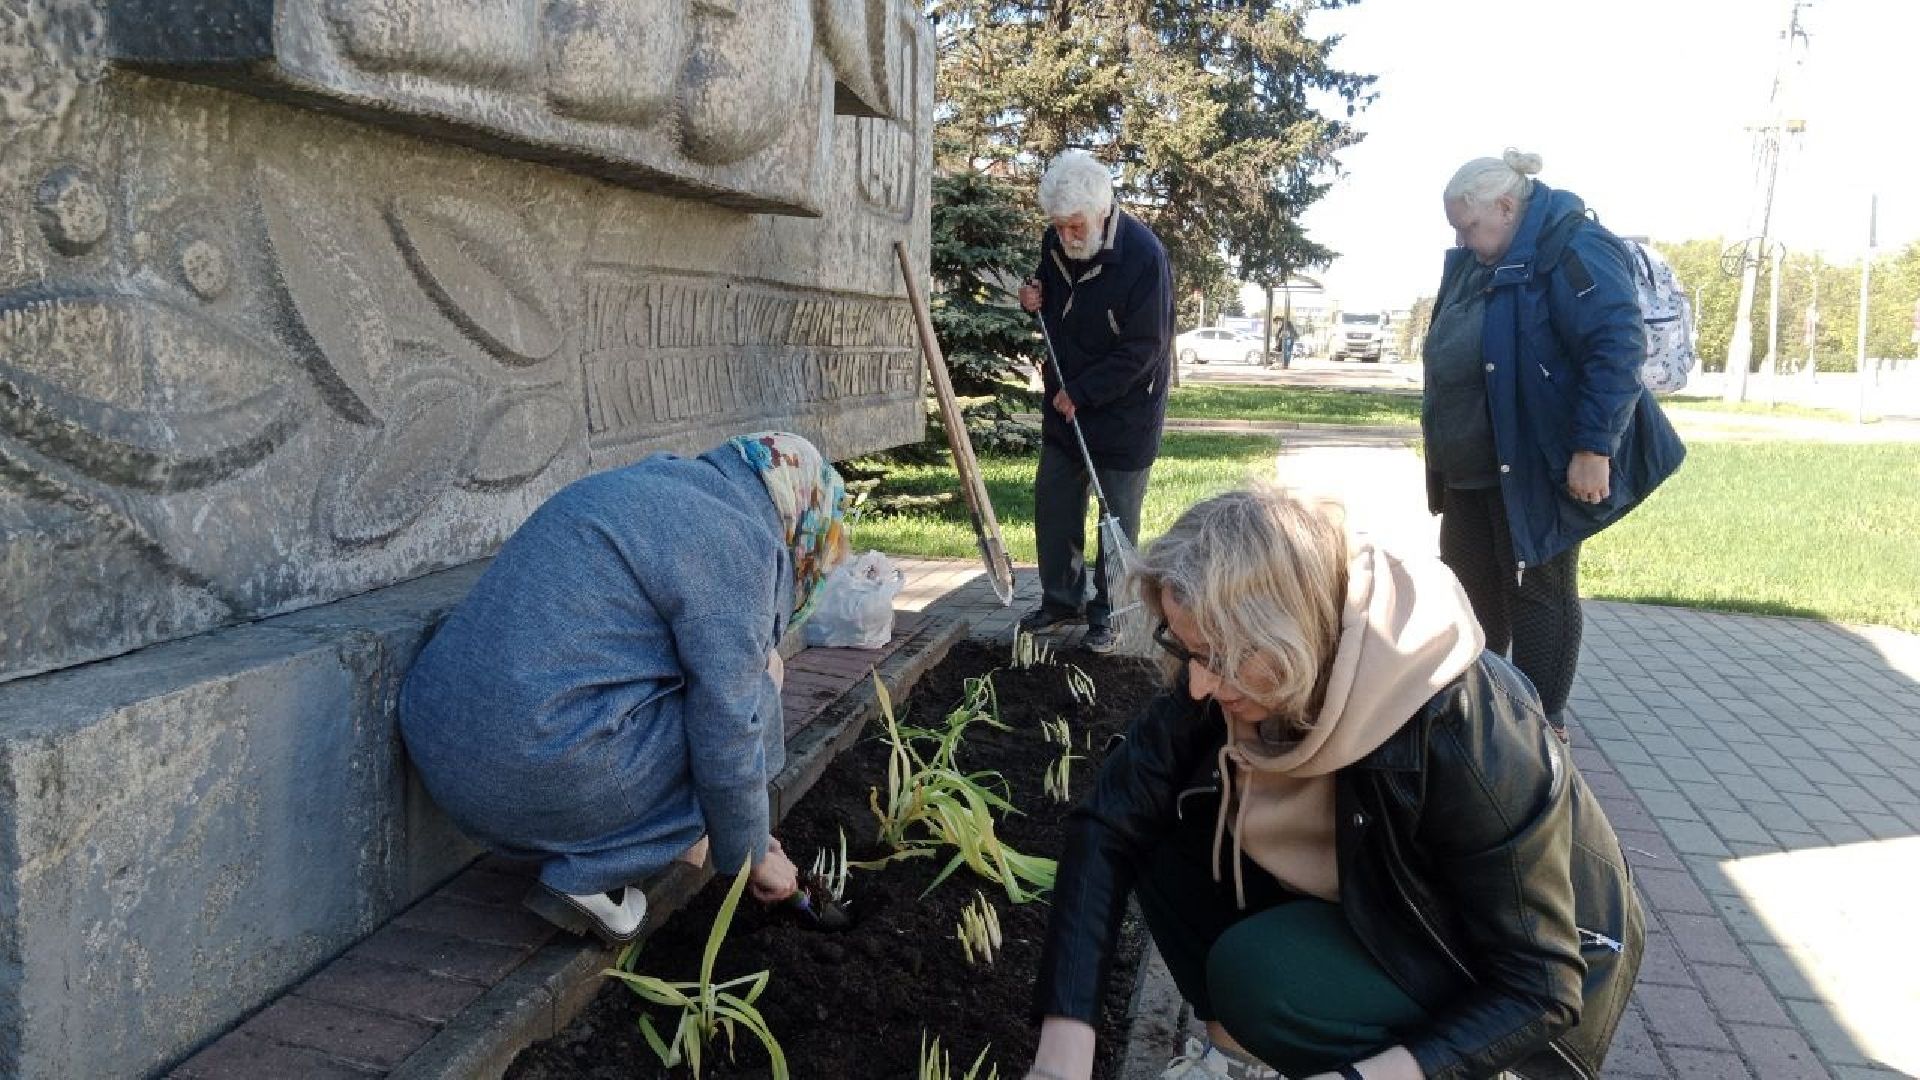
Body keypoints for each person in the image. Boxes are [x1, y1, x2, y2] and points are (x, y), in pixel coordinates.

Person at [1021, 486, 1644, 1080]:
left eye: (1218, 658)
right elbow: (1109, 823)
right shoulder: (1231, 662)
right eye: (1188, 652)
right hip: (1385, 901)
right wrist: (1064, 1045)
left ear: (1286, 634)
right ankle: (1238, 1056)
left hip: (1505, 967)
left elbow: (1542, 986)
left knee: (1261, 977)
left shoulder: (1459, 729)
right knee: (1157, 822)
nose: (1200, 686)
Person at [398, 432, 850, 944]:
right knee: (757, 692)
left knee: (727, 692)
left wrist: (750, 829)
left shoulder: (658, 486)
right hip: (528, 766)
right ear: (801, 520)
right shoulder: (741, 548)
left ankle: (663, 834)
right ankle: (594, 878)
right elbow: (727, 727)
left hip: (435, 738)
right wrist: (751, 853)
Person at [1423, 150, 1684, 743]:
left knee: (1537, 589)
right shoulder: (1482, 257)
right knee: (1469, 587)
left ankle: (1540, 726)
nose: (1462, 241)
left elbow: (1616, 347)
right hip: (1473, 466)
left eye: (1469, 226)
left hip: (1536, 461)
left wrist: (1594, 448)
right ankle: (1482, 714)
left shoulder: (1574, 247)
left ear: (1505, 207)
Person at [1017, 149, 1175, 655]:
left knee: (1115, 519)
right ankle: (1062, 601)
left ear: (1102, 213)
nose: (1066, 237)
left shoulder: (1144, 257)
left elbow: (1145, 349)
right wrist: (1032, 297)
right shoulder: (1055, 243)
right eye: (1058, 226)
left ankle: (1110, 613)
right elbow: (1050, 296)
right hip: (1065, 403)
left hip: (1125, 410)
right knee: (1055, 505)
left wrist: (1083, 392)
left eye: (1075, 226)